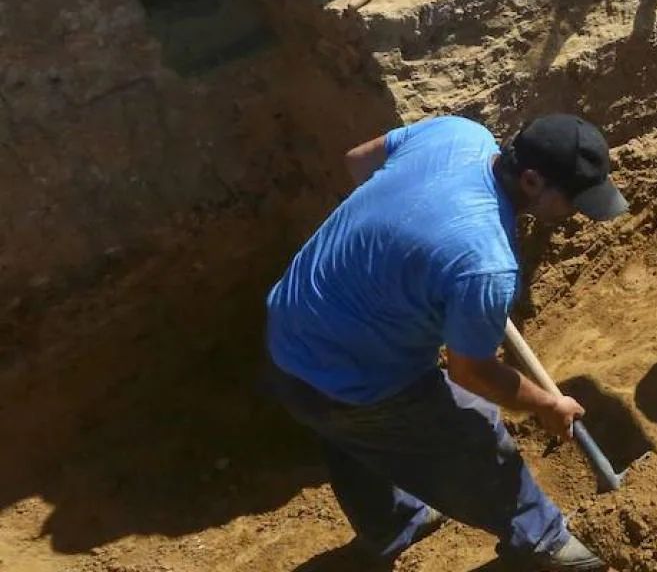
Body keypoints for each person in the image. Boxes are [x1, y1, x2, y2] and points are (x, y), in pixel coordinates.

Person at [264, 114, 631, 571]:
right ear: (532, 180)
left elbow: (357, 161)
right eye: (574, 200)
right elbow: (471, 372)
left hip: (290, 329)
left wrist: (396, 247)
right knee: (473, 429)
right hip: (346, 370)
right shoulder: (485, 264)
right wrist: (545, 406)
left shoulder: (458, 134)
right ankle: (546, 542)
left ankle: (394, 524)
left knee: (349, 434)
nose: (578, 211)